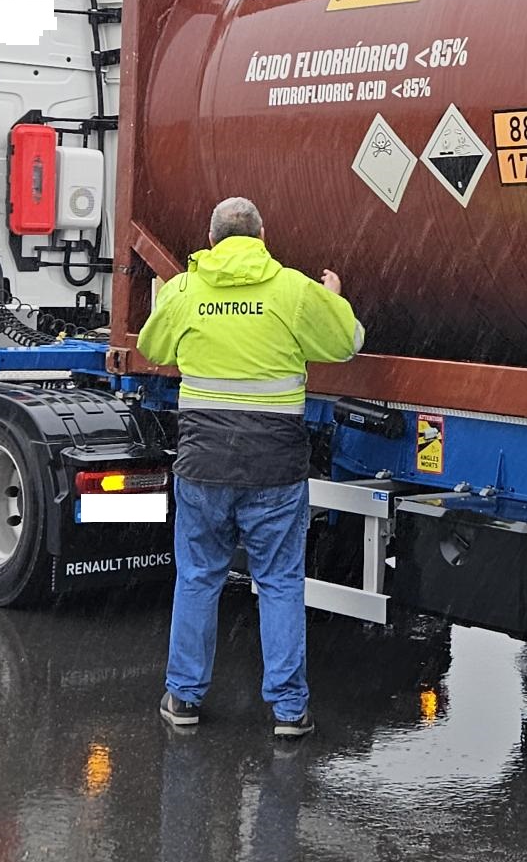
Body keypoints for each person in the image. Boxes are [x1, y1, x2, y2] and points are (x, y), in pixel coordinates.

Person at [137, 196, 363, 737]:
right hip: (274, 467)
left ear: (212, 241)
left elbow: (150, 346)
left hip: (204, 464)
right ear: (261, 235)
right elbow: (349, 344)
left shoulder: (186, 291)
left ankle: (184, 699)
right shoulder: (290, 289)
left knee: (197, 578)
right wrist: (331, 300)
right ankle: (288, 711)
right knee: (280, 583)